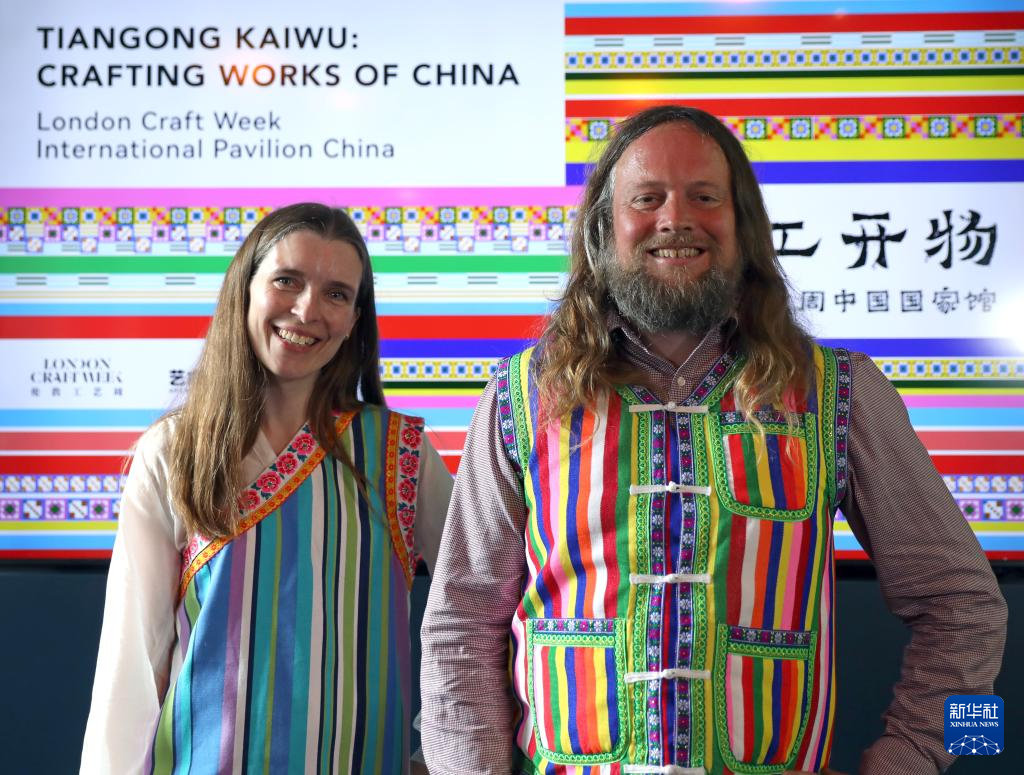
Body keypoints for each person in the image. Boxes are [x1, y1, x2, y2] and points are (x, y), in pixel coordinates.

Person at [419, 106, 1007, 775]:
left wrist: (918, 759)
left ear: (743, 227)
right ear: (603, 230)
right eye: (647, 198)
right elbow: (458, 628)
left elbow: (970, 606)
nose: (676, 218)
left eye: (704, 196)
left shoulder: (840, 391)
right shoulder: (521, 395)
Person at [81, 203, 452, 774]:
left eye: (336, 294)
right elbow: (131, 664)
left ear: (355, 319)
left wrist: (439, 752)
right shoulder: (174, 451)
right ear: (245, 288)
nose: (307, 310)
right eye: (287, 280)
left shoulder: (401, 454)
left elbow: (481, 612)